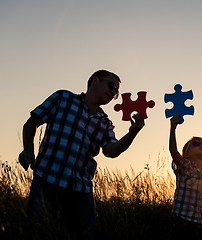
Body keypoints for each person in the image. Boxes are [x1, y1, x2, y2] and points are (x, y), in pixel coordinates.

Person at [18, 70, 145, 240]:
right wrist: (28, 149)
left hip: (80, 190)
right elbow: (33, 121)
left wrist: (133, 133)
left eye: (116, 93)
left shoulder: (105, 122)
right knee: (38, 231)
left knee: (85, 236)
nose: (114, 93)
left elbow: (111, 150)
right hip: (46, 181)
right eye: (112, 86)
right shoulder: (62, 98)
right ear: (95, 80)